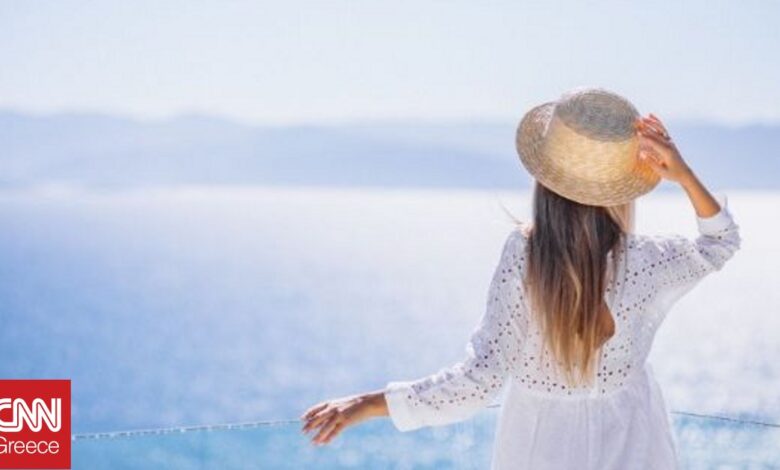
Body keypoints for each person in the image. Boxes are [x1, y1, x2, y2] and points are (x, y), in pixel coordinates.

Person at [299, 87, 742, 469]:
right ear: (624, 185)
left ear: (545, 178)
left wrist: (368, 404)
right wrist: (683, 175)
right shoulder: (647, 261)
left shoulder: (526, 257)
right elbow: (720, 243)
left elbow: (478, 382)